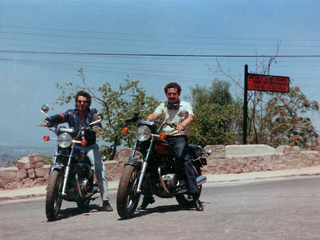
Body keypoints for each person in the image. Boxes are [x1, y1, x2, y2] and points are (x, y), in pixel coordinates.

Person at [42, 91, 113, 212]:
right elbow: (60, 116)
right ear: (76, 102)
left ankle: (105, 201)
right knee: (59, 152)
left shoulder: (92, 113)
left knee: (99, 168)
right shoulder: (70, 113)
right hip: (74, 145)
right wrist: (49, 120)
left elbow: (97, 120)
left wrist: (96, 127)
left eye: (84, 102)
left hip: (89, 146)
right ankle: (53, 185)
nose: (82, 104)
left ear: (88, 103)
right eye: (79, 101)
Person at [137, 82, 203, 211]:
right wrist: (149, 119)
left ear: (178, 94)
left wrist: (182, 125)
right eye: (169, 94)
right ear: (166, 94)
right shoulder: (163, 106)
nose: (171, 96)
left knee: (184, 161)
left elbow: (190, 116)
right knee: (148, 159)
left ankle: (195, 197)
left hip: (178, 137)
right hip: (163, 137)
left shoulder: (185, 105)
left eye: (174, 93)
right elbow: (155, 114)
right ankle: (147, 195)